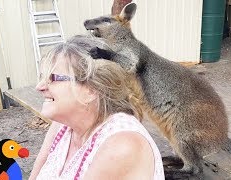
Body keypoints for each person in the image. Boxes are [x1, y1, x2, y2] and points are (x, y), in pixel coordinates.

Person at [29, 35, 165, 180]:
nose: (40, 87)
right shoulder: (62, 125)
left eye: (53, 78)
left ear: (92, 89)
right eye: (42, 77)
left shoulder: (122, 145)